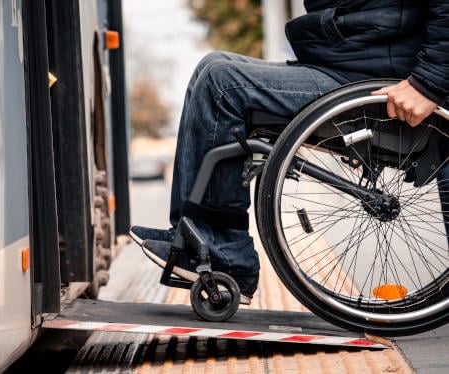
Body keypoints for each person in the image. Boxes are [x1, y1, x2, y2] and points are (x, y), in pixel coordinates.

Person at [130, 1, 449, 305]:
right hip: (350, 60)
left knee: (223, 84)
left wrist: (427, 83)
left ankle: (226, 256)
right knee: (211, 66)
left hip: (379, 75)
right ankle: (192, 238)